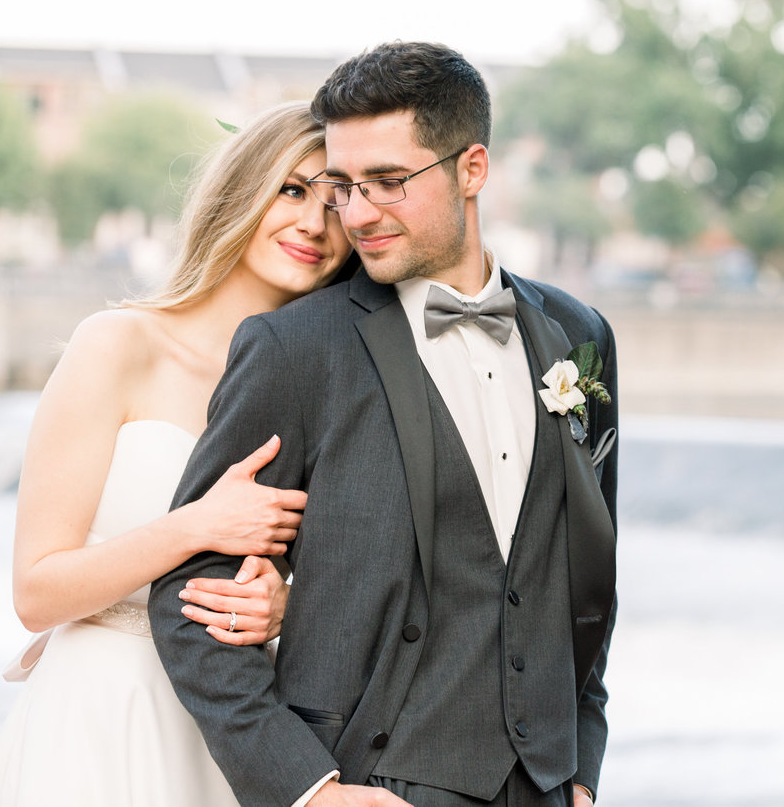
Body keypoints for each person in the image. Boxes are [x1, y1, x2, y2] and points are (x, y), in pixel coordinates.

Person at [150, 41, 619, 807]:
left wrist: (583, 765)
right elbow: (188, 596)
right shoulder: (296, 350)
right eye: (345, 185)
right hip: (368, 783)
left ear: (472, 169)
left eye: (389, 182)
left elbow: (589, 575)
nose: (358, 212)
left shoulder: (580, 336)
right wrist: (306, 787)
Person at [0, 102, 353, 807]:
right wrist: (197, 526)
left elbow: (356, 568)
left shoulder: (325, 384)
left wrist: (283, 607)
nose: (312, 224)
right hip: (99, 717)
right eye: (293, 189)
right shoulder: (117, 345)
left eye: (337, 204)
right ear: (244, 189)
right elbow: (36, 590)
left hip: (234, 734)